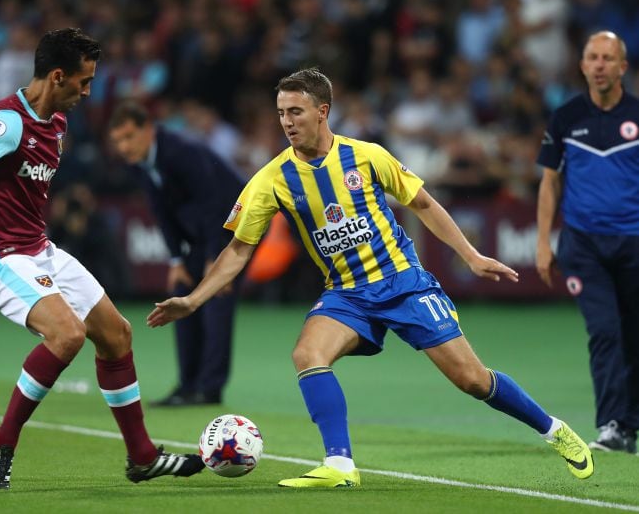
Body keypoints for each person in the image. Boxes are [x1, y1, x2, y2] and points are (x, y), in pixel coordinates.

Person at [147, 67, 594, 487]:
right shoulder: (272, 179)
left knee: (473, 381)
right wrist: (194, 299)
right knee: (307, 354)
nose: (287, 121)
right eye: (281, 112)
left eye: (296, 111)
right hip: (346, 294)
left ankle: (553, 429)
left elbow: (423, 204)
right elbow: (239, 249)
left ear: (323, 111)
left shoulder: (366, 156)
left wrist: (471, 255)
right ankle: (340, 464)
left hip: (403, 283)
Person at [0, 28, 204, 490]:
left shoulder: (59, 124)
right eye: (83, 82)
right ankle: (1, 441)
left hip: (38, 249)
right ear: (56, 77)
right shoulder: (7, 120)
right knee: (67, 334)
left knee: (116, 335)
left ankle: (143, 456)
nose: (88, 92)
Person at [536, 31, 639, 455]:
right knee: (605, 332)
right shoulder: (564, 117)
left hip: (634, 242)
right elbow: (550, 182)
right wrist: (543, 241)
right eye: (592, 57)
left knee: (633, 335)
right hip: (584, 246)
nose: (599, 65)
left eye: (607, 58)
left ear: (622, 67)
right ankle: (613, 425)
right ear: (582, 66)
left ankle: (629, 425)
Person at [108, 100, 245, 406]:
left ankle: (209, 390)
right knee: (181, 292)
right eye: (118, 141)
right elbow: (161, 210)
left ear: (148, 130)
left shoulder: (181, 151)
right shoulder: (141, 163)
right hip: (202, 234)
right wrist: (176, 260)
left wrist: (215, 259)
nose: (124, 147)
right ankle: (187, 386)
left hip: (236, 229)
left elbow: (214, 203)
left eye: (129, 137)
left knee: (215, 299)